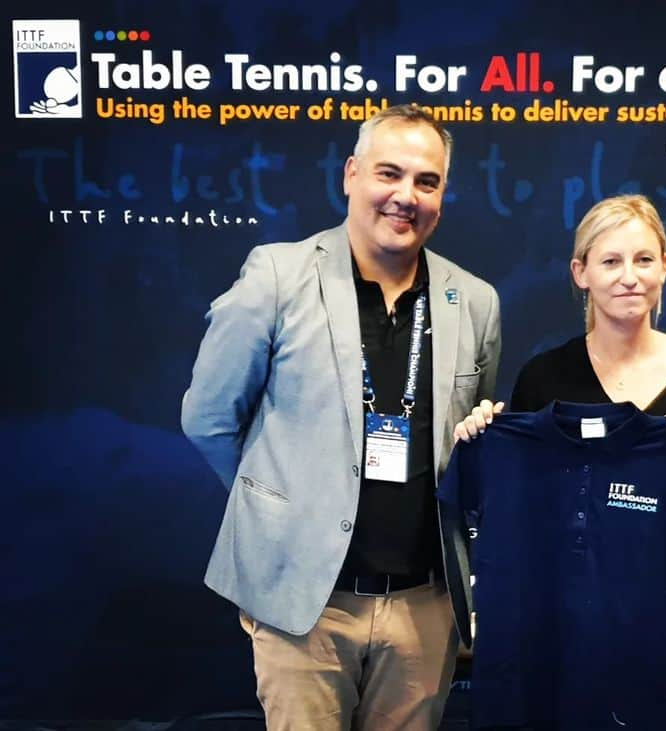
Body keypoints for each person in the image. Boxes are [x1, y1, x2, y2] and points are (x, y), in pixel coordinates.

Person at [181, 104, 501, 730]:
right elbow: (209, 417)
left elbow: (467, 448)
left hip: (424, 608)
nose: (405, 196)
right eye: (389, 173)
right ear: (351, 174)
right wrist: (274, 505)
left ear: (442, 195)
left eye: (426, 181)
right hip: (305, 603)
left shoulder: (477, 301)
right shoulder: (277, 275)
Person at [455, 193, 666, 730]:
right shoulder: (544, 377)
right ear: (581, 272)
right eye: (610, 261)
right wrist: (479, 435)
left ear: (665, 265)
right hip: (558, 612)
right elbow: (520, 503)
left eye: (643, 260)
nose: (628, 277)